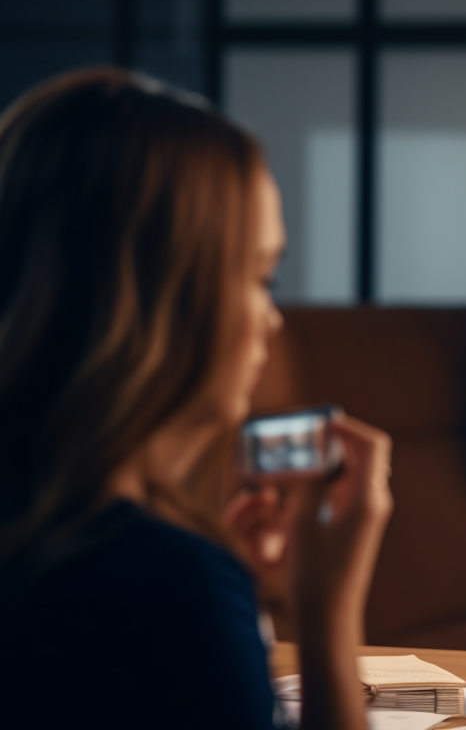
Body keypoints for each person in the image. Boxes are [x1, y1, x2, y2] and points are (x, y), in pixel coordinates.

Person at [0, 69, 393, 729]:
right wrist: (325, 613)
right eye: (258, 276)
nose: (273, 320)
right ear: (160, 301)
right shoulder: (172, 589)